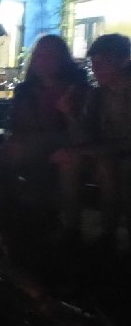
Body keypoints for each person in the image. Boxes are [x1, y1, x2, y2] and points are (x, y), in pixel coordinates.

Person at [0, 34, 90, 245]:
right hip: (34, 143)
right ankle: (10, 213)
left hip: (70, 145)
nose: (43, 61)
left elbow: (83, 133)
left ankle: (69, 230)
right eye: (39, 55)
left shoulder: (77, 89)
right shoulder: (26, 90)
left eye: (49, 55)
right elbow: (15, 125)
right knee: (10, 152)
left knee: (66, 162)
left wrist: (68, 113)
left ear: (61, 58)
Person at [66, 33, 131, 251]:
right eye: (94, 64)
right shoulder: (98, 95)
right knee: (98, 166)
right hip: (108, 153)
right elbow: (84, 135)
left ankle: (109, 233)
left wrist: (92, 150)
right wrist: (69, 113)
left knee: (117, 168)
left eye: (103, 63)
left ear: (123, 60)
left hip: (120, 152)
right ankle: (92, 232)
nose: (96, 70)